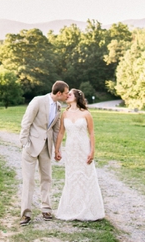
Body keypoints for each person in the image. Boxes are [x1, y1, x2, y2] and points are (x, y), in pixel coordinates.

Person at [19, 80, 70, 226]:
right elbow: (26, 122)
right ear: (59, 93)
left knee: (47, 178)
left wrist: (57, 149)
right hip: (31, 146)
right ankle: (26, 213)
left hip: (46, 147)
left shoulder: (58, 106)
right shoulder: (38, 101)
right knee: (28, 180)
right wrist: (24, 143)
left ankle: (46, 209)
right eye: (66, 93)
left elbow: (55, 130)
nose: (67, 95)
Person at [54, 88, 105, 221]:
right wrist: (57, 149)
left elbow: (92, 133)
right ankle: (72, 208)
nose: (67, 96)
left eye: (70, 94)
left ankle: (88, 208)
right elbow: (61, 133)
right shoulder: (64, 114)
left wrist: (92, 151)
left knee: (86, 176)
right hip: (71, 149)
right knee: (72, 176)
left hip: (83, 148)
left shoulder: (86, 113)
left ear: (77, 97)